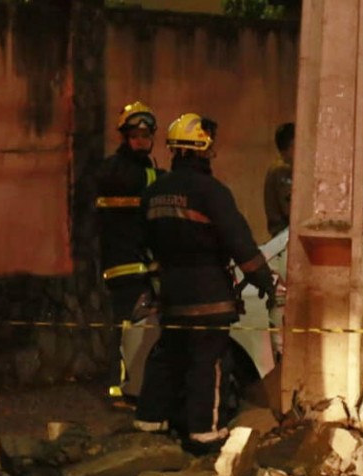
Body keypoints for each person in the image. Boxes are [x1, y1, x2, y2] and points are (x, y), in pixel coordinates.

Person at [133, 113, 279, 454]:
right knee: (207, 362)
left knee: (168, 355)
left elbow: (142, 242)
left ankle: (150, 423)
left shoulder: (154, 192)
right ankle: (204, 433)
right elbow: (239, 242)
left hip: (170, 294)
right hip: (208, 295)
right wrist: (265, 280)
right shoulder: (211, 192)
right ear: (202, 149)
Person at [94, 100, 164, 407]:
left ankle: (130, 385)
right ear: (125, 137)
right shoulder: (121, 171)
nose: (141, 140)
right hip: (127, 264)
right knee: (129, 329)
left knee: (136, 327)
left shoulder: (141, 169)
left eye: (145, 135)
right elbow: (142, 192)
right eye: (135, 135)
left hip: (137, 263)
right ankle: (122, 390)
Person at [263, 122, 295, 237]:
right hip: (283, 237)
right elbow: (290, 210)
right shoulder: (282, 170)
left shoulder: (280, 169)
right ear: (292, 145)